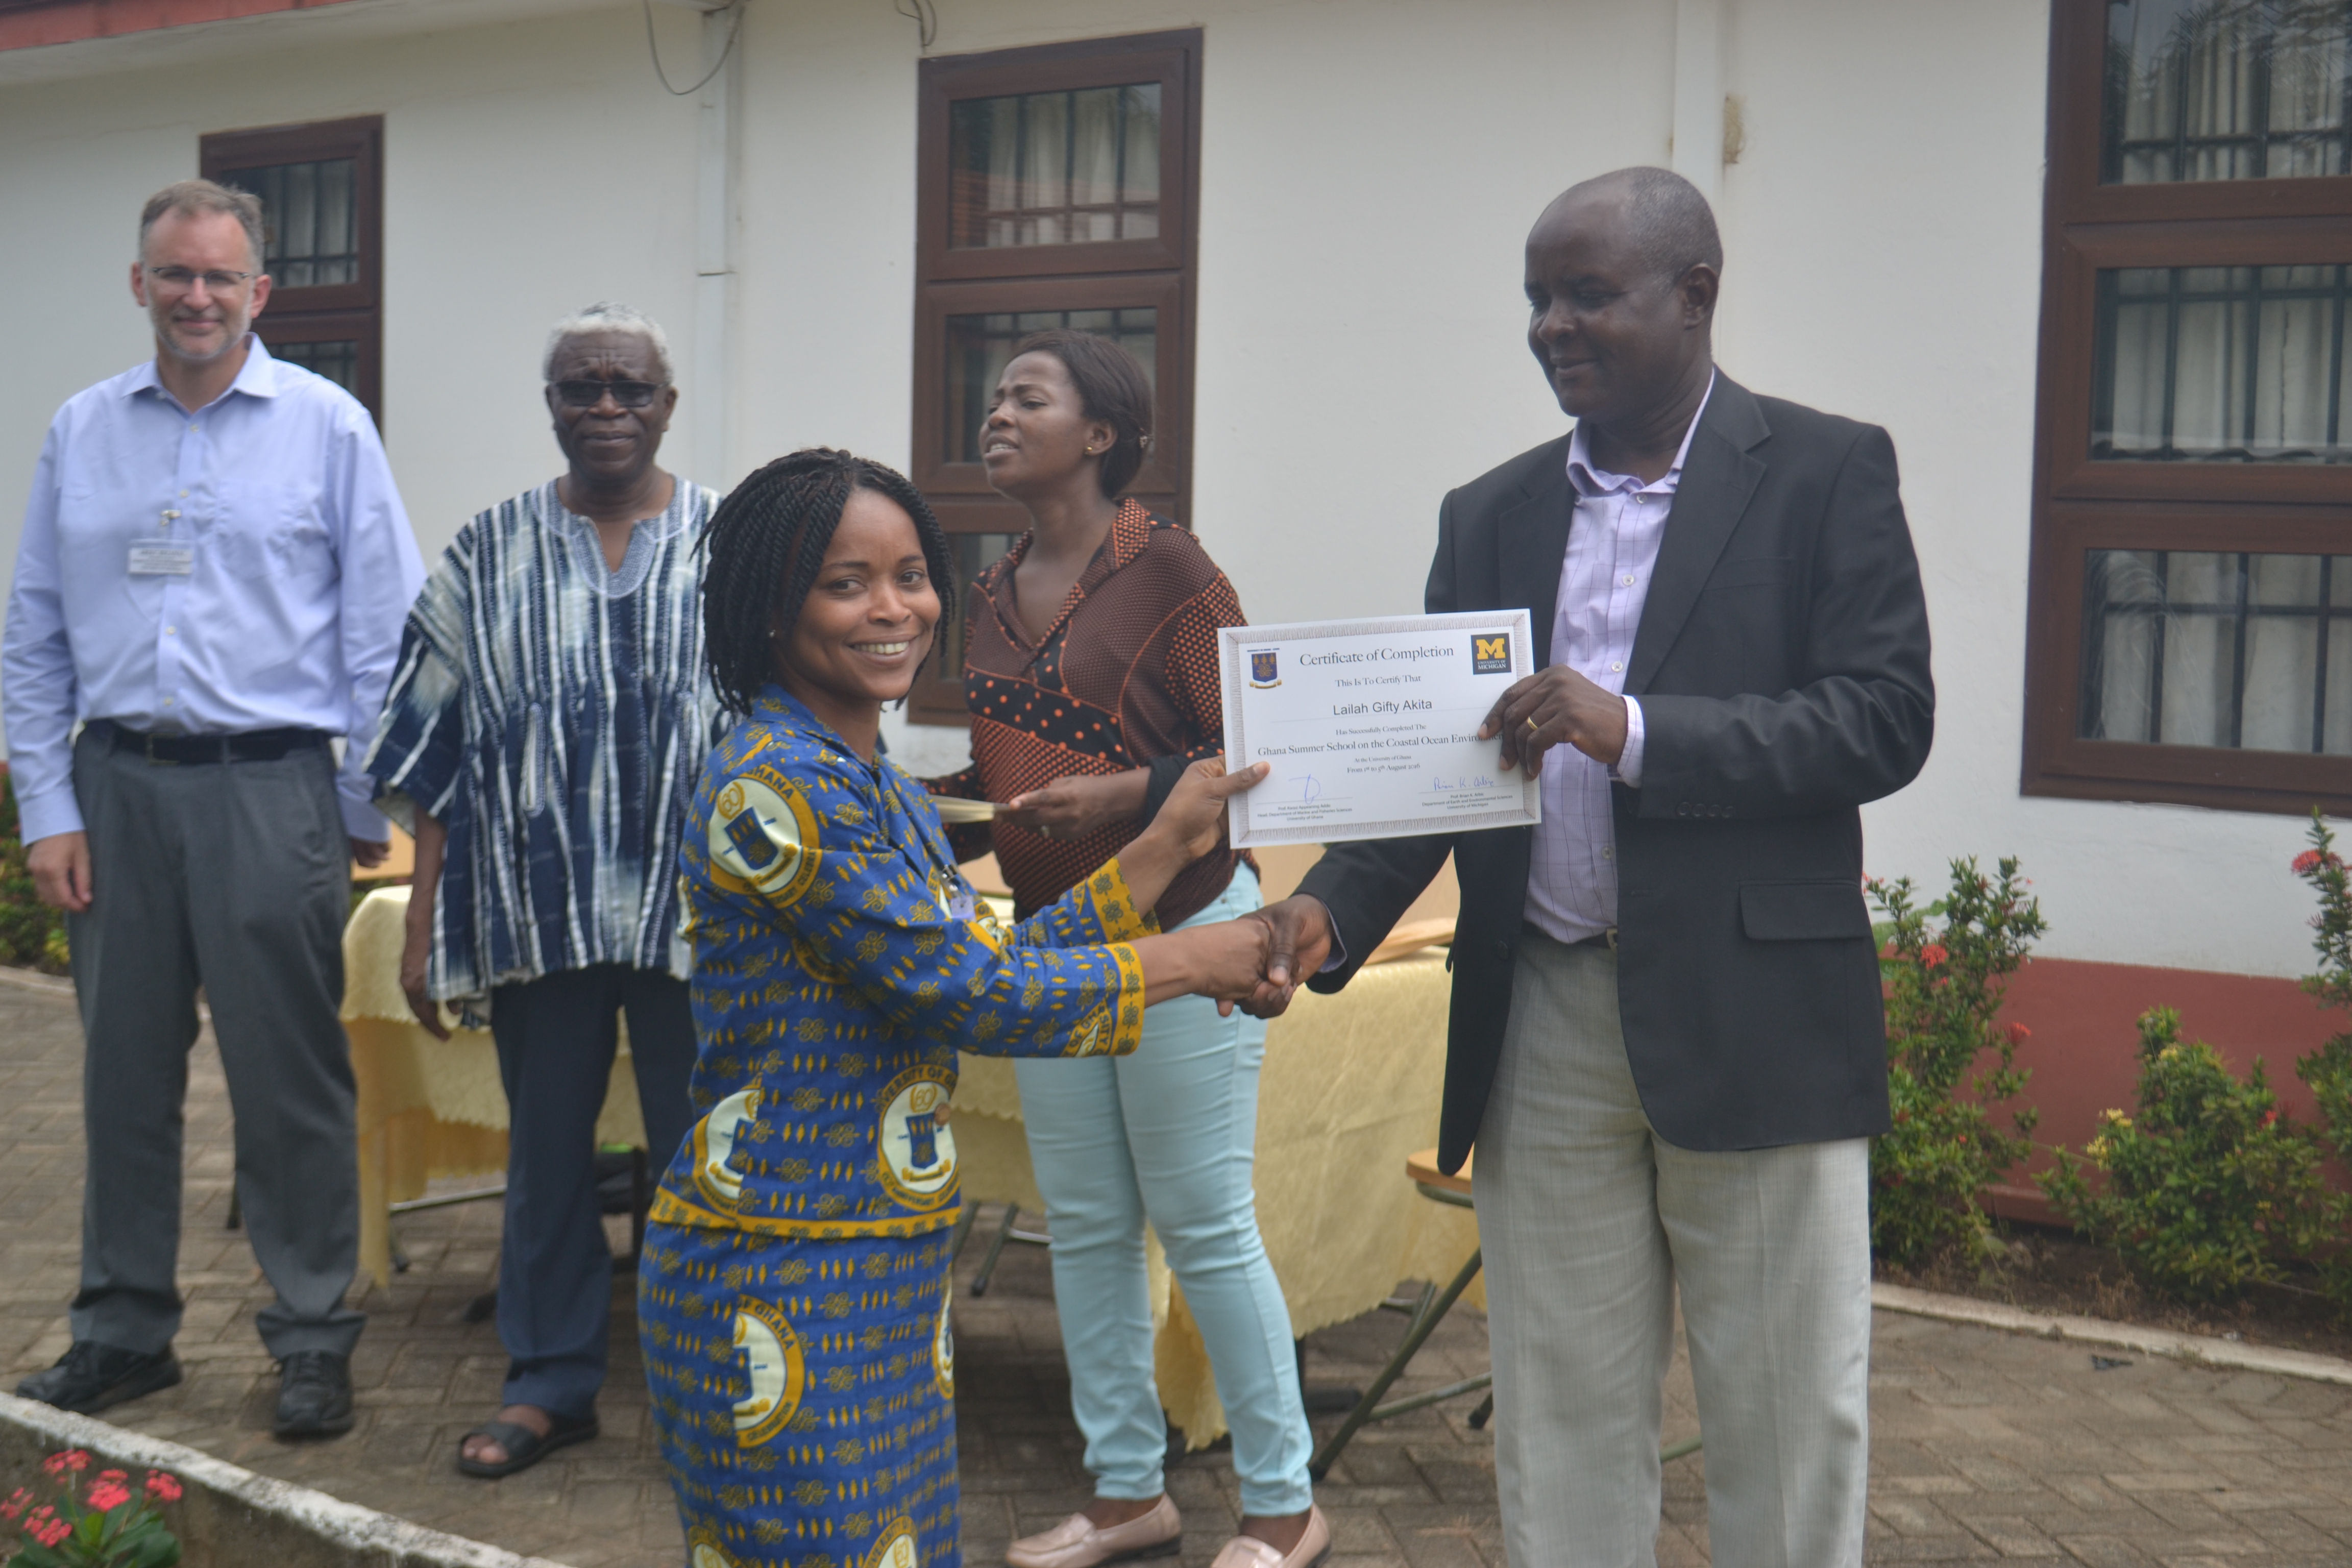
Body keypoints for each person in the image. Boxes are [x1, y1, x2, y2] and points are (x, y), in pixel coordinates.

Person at [1245, 167, 1935, 1567]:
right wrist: (1322, 913)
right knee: (1561, 1413)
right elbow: (1438, 769)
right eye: (1537, 299)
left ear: (1696, 295)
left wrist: (1633, 731)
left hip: (1753, 1011)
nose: (1552, 325)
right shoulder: (1488, 511)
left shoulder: (1824, 471)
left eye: (1588, 295)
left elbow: (1883, 717)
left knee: (1784, 1414)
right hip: (1543, 1015)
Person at [635, 447, 1273, 1568]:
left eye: (912, 575)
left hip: (879, 1261)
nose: (895, 609)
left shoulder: (873, 779)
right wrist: (1201, 957)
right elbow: (977, 996)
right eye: (846, 584)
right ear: (771, 608)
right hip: (782, 1271)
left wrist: (1164, 848)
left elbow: (989, 957)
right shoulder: (780, 786)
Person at [2, 179, 423, 1436]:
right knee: (123, 1077)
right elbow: (35, 629)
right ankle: (124, 1331)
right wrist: (48, 806)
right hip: (115, 791)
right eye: (175, 274)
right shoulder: (83, 429)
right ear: (140, 284)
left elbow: (383, 632)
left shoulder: (328, 428)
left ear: (260, 291)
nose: (197, 296)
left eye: (220, 277)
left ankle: (311, 1333)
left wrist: (357, 801)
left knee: (288, 1080)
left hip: (269, 790)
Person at [928, 329, 1322, 1568]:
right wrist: (919, 812)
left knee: (1202, 1222)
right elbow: (1010, 764)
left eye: (1027, 397)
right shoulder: (990, 587)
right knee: (1087, 1224)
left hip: (1187, 921)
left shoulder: (1171, 571)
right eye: (995, 397)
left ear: (1099, 434)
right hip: (1056, 944)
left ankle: (1285, 1506)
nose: (997, 413)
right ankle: (1124, 1493)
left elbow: (1258, 750)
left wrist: (1114, 799)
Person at [365, 302, 717, 1478]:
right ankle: (551, 1384)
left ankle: (710, 1385)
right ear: (553, 406)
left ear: (667, 405)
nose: (606, 407)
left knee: (704, 1155)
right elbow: (433, 746)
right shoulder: (489, 550)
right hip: (538, 910)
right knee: (548, 1157)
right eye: (581, 388)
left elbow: (795, 713)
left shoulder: (730, 541)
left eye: (631, 387)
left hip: (695, 915)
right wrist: (425, 918)